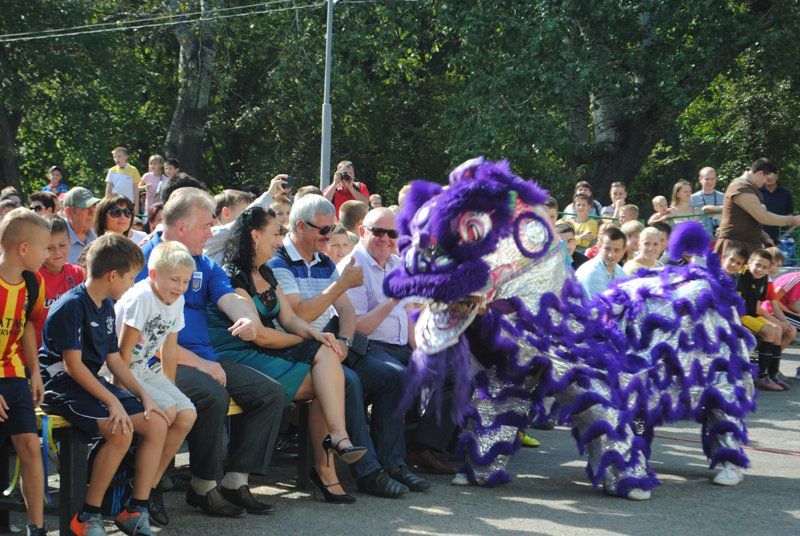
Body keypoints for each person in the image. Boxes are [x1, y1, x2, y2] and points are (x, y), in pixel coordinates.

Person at [135, 187, 282, 517]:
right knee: (211, 394)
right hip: (159, 361)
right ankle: (199, 485)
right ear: (181, 226)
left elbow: (229, 298)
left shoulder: (202, 262)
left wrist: (246, 316)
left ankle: (235, 480)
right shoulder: (150, 260)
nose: (211, 233)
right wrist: (200, 363)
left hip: (205, 360)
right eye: (205, 226)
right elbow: (149, 340)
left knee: (270, 393)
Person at [269, 194, 427, 498]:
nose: (330, 237)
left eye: (332, 229)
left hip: (332, 346)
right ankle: (368, 472)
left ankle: (394, 463)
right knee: (349, 383)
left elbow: (348, 313)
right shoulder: (280, 263)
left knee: (393, 376)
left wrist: (344, 341)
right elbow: (300, 316)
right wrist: (340, 286)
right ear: (300, 226)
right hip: (294, 349)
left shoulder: (323, 260)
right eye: (324, 231)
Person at [209, 206, 367, 503]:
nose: (281, 238)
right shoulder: (233, 276)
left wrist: (316, 334)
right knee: (328, 381)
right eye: (276, 232)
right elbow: (264, 336)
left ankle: (338, 441)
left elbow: (289, 318)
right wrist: (306, 339)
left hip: (258, 348)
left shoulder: (265, 271)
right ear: (255, 236)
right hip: (233, 352)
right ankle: (334, 448)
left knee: (327, 364)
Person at [39, 234, 167, 536]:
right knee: (121, 429)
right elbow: (73, 366)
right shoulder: (72, 305)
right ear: (112, 275)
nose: (131, 285)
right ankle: (87, 515)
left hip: (88, 382)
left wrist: (143, 396)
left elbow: (114, 360)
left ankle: (135, 509)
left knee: (157, 423)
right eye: (130, 278)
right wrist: (113, 401)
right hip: (61, 385)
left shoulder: (106, 305)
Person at [339, 207, 457, 476]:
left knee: (454, 372)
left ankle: (425, 446)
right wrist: (392, 298)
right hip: (366, 348)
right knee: (398, 376)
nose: (385, 239)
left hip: (399, 347)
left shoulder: (396, 264)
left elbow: (409, 314)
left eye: (392, 233)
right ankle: (393, 462)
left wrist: (424, 352)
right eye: (377, 231)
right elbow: (357, 328)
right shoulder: (352, 267)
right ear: (361, 231)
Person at [114, 242, 198, 526]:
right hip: (119, 370)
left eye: (186, 281)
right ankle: (139, 492)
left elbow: (169, 348)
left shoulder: (178, 300)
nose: (180, 286)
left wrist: (169, 387)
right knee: (168, 412)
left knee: (186, 413)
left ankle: (147, 486)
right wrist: (121, 392)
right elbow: (121, 355)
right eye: (174, 279)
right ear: (152, 274)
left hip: (144, 369)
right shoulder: (141, 299)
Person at [0, 209, 51, 536]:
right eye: (44, 247)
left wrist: (34, 372)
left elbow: (29, 327)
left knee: (31, 447)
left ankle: (37, 527)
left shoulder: (33, 282)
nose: (47, 255)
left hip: (14, 375)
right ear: (22, 249)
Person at [715, 158, 800, 257]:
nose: (765, 183)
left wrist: (764, 236)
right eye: (766, 179)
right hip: (733, 248)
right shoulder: (740, 187)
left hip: (745, 246)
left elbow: (749, 219)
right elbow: (762, 216)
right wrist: (792, 220)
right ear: (760, 173)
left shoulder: (747, 187)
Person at [204, 175, 288, 265]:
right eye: (245, 210)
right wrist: (270, 193)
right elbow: (246, 217)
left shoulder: (246, 238)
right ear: (226, 213)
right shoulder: (213, 235)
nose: (249, 214)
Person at [735, 249, 784, 392]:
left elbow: (757, 307)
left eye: (764, 267)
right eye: (757, 265)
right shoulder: (741, 276)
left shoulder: (763, 278)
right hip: (740, 315)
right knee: (769, 332)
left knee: (777, 330)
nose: (760, 269)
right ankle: (761, 377)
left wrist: (777, 322)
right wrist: (737, 326)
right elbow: (737, 306)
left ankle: (772, 373)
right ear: (749, 262)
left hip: (752, 315)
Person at [32, 216, 85, 346]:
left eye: (62, 245)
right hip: (39, 351)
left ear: (70, 241)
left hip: (70, 349)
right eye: (50, 248)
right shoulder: (33, 277)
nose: (57, 252)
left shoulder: (77, 273)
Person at [759, 248, 795, 390]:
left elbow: (775, 305)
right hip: (755, 314)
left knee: (790, 330)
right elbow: (759, 308)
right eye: (773, 264)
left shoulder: (769, 281)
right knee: (777, 329)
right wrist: (780, 323)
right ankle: (765, 372)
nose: (775, 268)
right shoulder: (756, 278)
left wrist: (786, 323)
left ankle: (773, 369)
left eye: (778, 266)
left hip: (765, 314)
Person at [575, 227, 627, 298]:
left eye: (617, 250)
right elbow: (602, 306)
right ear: (599, 247)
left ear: (624, 251)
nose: (611, 255)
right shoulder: (592, 272)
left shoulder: (619, 270)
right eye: (607, 249)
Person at [63, 187, 100, 264]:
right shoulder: (55, 239)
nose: (92, 211)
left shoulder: (98, 237)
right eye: (86, 207)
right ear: (69, 212)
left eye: (94, 206)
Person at [760, 167, 795, 244]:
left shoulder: (786, 192)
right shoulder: (757, 192)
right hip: (761, 237)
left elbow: (790, 213)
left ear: (777, 176)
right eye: (766, 175)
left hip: (783, 236)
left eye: (770, 174)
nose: (768, 177)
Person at [105, 146, 141, 216]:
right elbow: (108, 189)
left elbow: (136, 190)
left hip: (128, 202)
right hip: (114, 202)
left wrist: (136, 206)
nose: (116, 159)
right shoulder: (111, 170)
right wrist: (106, 203)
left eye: (119, 156)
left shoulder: (133, 170)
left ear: (126, 157)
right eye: (115, 157)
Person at [690, 167, 723, 237]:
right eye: (707, 179)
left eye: (712, 179)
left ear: (716, 179)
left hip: (720, 239)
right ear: (700, 180)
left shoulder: (724, 197)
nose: (710, 182)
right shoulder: (692, 198)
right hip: (700, 240)